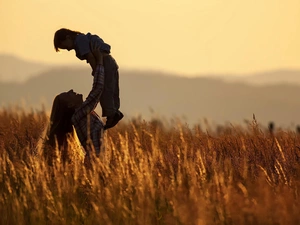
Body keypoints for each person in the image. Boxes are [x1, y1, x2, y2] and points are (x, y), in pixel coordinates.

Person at [53, 28, 123, 130]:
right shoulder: (84, 39)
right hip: (111, 61)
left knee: (105, 90)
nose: (68, 49)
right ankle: (115, 111)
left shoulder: (79, 42)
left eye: (65, 46)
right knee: (112, 89)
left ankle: (111, 114)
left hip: (104, 62)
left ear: (68, 37)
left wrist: (96, 71)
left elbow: (90, 57)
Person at [44, 89, 104, 165]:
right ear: (70, 105)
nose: (71, 90)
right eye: (68, 94)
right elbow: (96, 93)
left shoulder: (83, 115)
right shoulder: (79, 114)